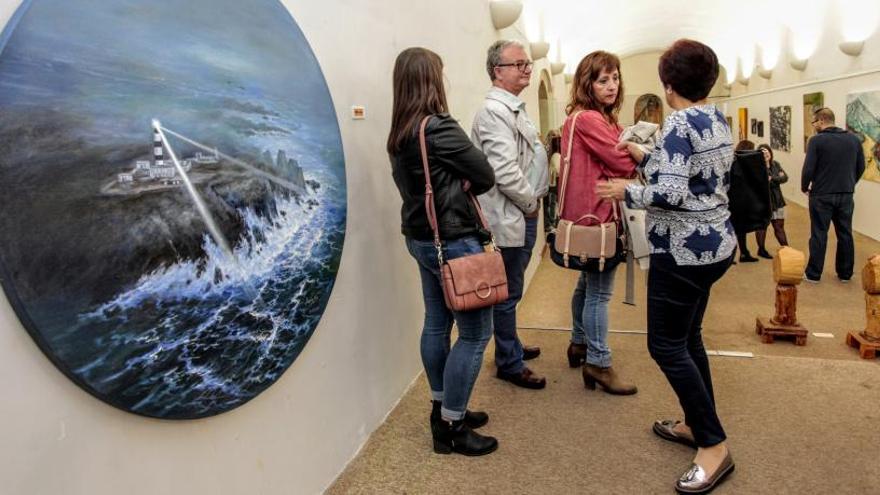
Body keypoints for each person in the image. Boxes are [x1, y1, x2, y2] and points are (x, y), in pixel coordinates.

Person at [599, 39, 737, 494]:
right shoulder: (715, 117)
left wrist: (626, 190)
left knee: (665, 346)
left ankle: (714, 446)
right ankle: (698, 425)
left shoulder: (677, 123)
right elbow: (694, 175)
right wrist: (646, 157)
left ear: (668, 83)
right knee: (688, 338)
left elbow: (672, 195)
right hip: (716, 246)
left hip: (681, 253)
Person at [388, 47, 498, 456]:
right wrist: (462, 181)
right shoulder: (439, 127)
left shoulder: (400, 133)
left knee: (437, 322)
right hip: (454, 241)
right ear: (431, 79)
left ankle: (442, 407)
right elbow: (484, 174)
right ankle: (453, 423)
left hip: (422, 239)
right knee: (474, 333)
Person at [471, 40, 549, 389]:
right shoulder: (493, 112)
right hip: (513, 213)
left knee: (513, 289)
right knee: (506, 293)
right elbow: (503, 171)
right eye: (518, 64)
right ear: (496, 71)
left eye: (527, 63)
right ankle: (508, 362)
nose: (526, 68)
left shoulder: (513, 107)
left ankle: (510, 345)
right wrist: (531, 205)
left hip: (521, 211)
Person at [560, 50, 637, 395]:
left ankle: (579, 343)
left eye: (615, 78)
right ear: (587, 84)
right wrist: (638, 149)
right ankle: (598, 362)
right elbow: (623, 161)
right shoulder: (590, 119)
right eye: (602, 79)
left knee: (586, 284)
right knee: (600, 292)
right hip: (598, 214)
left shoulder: (600, 118)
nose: (611, 85)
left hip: (588, 213)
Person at [801, 107, 865, 283]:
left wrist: (804, 187)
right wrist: (849, 184)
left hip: (821, 194)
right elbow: (861, 167)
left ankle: (814, 274)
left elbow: (808, 169)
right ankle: (845, 273)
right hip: (846, 195)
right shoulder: (853, 140)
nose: (814, 126)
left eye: (814, 122)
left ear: (821, 121)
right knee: (845, 233)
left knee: (819, 234)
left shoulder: (816, 141)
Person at [755, 143, 789, 257]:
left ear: (770, 153)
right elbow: (760, 182)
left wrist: (772, 179)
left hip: (777, 200)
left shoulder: (776, 164)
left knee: (779, 226)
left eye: (767, 151)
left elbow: (785, 178)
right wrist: (777, 178)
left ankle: (786, 249)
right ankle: (761, 249)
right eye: (762, 152)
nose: (765, 154)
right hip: (763, 201)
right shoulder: (757, 167)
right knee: (762, 226)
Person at [542, 130, 562, 234]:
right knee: (551, 203)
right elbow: (558, 169)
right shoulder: (551, 153)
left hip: (551, 182)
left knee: (552, 203)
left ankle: (551, 224)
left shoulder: (550, 152)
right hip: (550, 182)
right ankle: (550, 224)